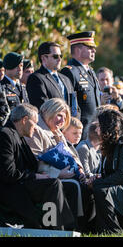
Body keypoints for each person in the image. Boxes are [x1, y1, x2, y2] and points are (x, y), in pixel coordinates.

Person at [0, 103, 75, 230]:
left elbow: (30, 165)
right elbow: (8, 174)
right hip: (7, 190)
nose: (36, 127)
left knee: (69, 186)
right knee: (53, 185)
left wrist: (41, 174)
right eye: (35, 123)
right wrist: (35, 176)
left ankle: (72, 228)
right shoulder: (4, 136)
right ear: (24, 120)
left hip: (20, 184)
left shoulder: (19, 137)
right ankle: (56, 230)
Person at [24, 98, 95, 232]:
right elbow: (35, 162)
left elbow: (72, 155)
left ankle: (87, 229)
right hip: (45, 178)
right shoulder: (36, 131)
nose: (62, 121)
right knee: (73, 187)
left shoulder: (58, 133)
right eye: (59, 115)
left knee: (88, 186)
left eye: (65, 117)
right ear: (47, 112)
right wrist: (58, 174)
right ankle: (71, 229)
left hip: (67, 174)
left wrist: (79, 169)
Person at [60, 31, 101, 140]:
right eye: (89, 47)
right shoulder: (70, 72)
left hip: (94, 132)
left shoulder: (90, 71)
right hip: (80, 134)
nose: (94, 50)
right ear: (78, 50)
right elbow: (68, 104)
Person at [26, 41, 79, 118]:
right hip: (50, 126)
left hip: (69, 126)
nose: (59, 59)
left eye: (61, 56)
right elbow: (43, 107)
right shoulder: (36, 78)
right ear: (44, 58)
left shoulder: (65, 79)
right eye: (55, 56)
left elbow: (75, 106)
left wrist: (73, 122)